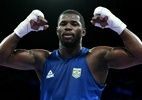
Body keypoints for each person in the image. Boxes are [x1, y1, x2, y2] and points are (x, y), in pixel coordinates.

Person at [0, 6, 142, 100]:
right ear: (57, 31)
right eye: (63, 24)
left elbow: (139, 55)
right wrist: (23, 28)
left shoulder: (96, 58)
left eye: (74, 24)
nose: (68, 27)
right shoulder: (42, 59)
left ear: (83, 31)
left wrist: (116, 24)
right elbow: (2, 58)